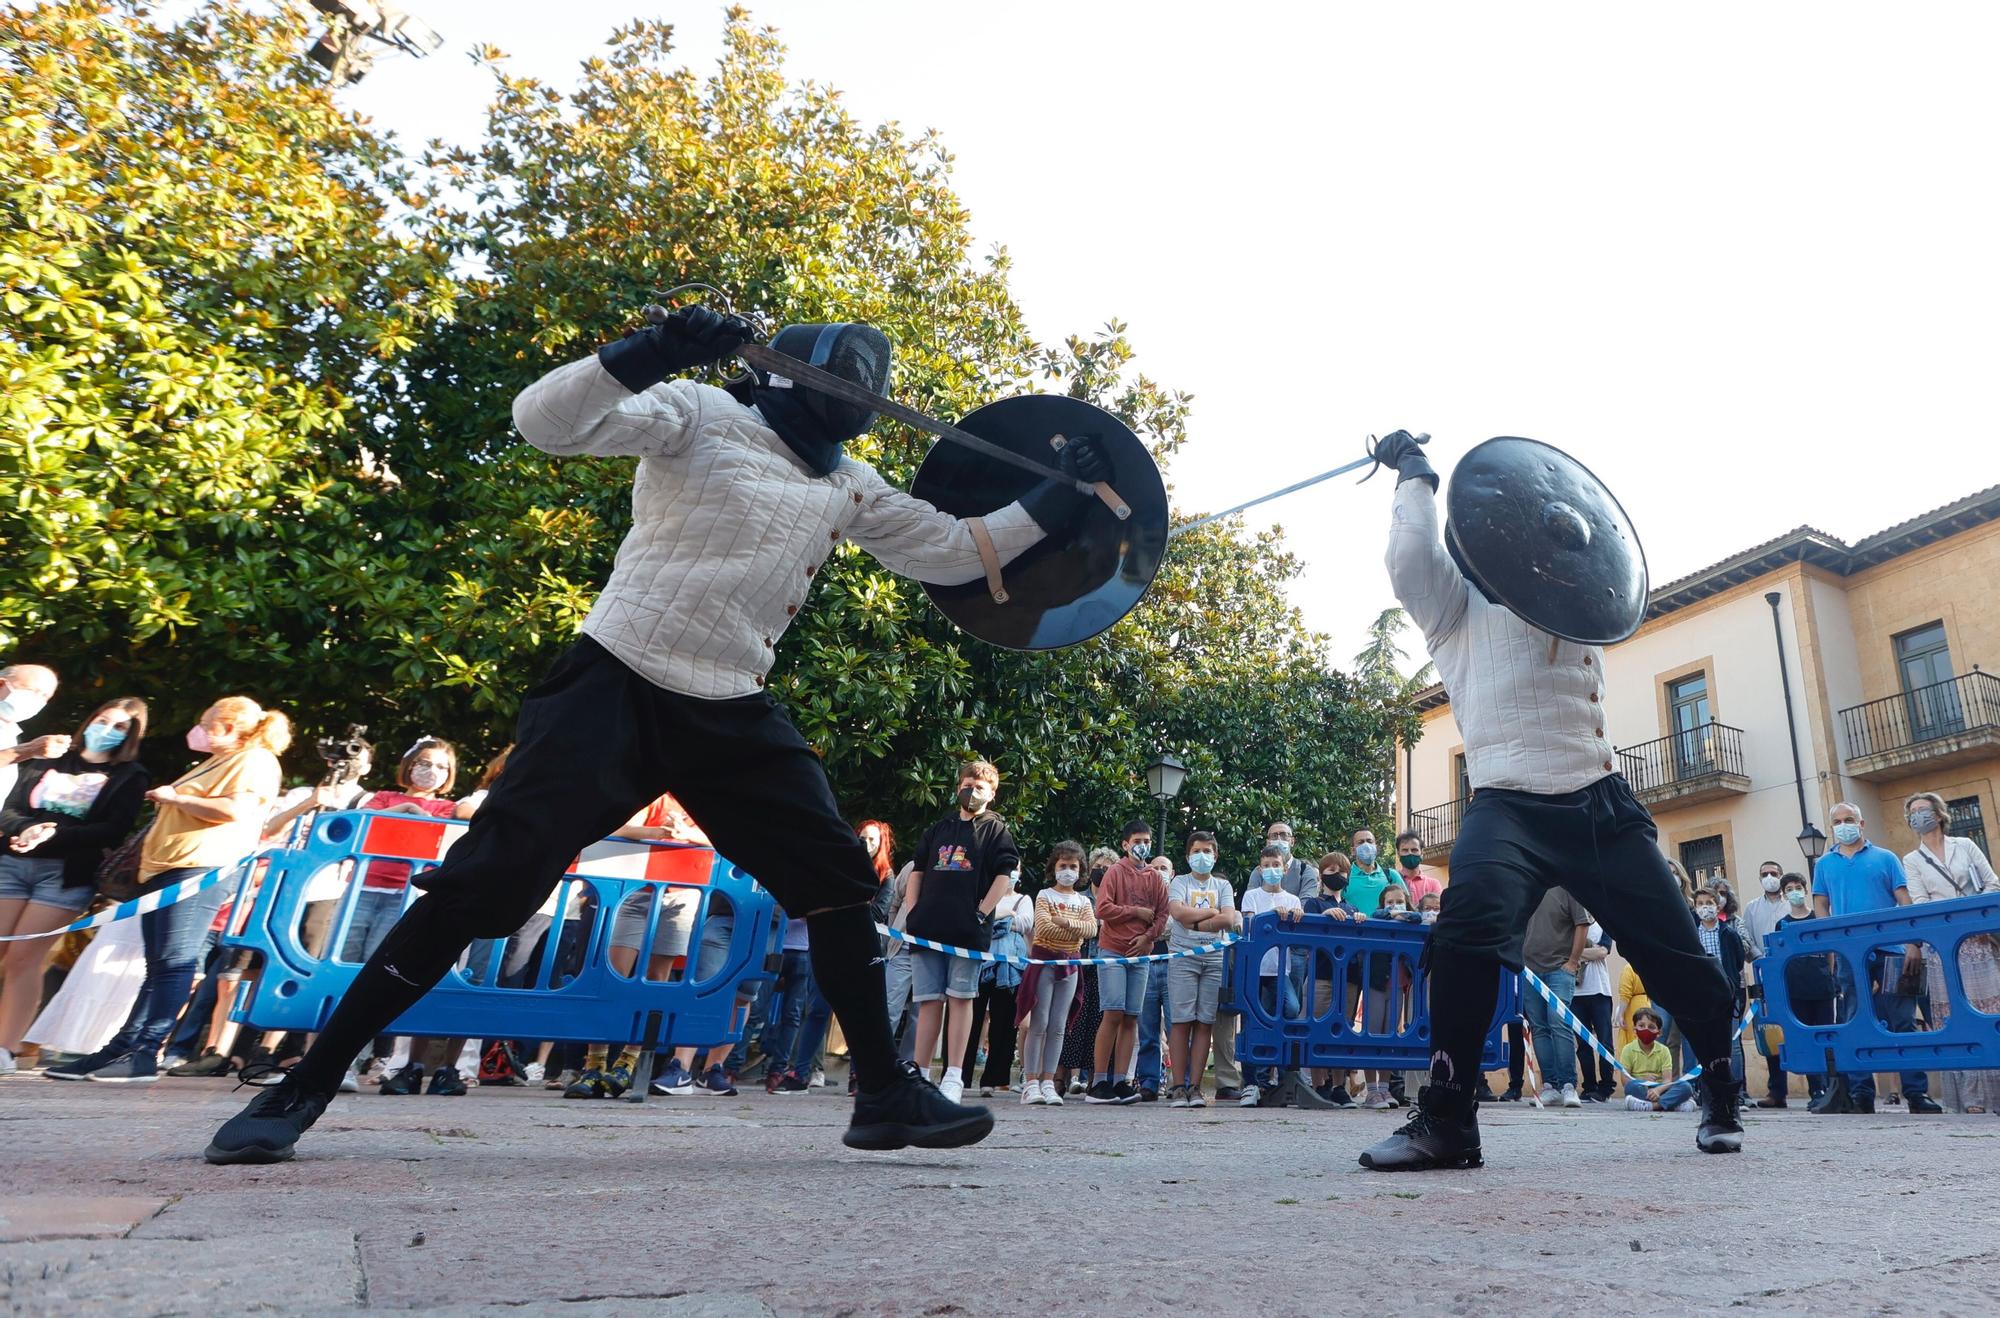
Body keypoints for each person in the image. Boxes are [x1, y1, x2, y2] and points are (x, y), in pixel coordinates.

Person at [208, 307, 1110, 1164]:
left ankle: (882, 1094)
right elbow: (542, 422)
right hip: (613, 682)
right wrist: (647, 352)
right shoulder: (702, 410)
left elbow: (955, 549)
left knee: (837, 879)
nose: (862, 389)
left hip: (730, 704)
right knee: (482, 887)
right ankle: (301, 1088)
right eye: (847, 375)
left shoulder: (847, 483)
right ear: (789, 374)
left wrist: (1064, 499)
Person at [1362, 431, 1742, 1171]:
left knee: (1676, 952)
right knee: (1467, 927)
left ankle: (1721, 1085)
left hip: (1598, 801)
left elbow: (1597, 550)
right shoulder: (1454, 607)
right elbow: (1408, 558)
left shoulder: (1577, 599)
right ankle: (1448, 1119)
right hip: (1505, 803)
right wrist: (1414, 476)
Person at [51, 696, 287, 1085]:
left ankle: (145, 1052)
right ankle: (122, 1048)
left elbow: (236, 810)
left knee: (175, 962)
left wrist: (176, 798)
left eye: (206, 723)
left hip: (199, 868)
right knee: (160, 964)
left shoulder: (254, 759)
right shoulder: (221, 760)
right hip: (170, 867)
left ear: (227, 727)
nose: (199, 730)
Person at [0, 697, 150, 1073]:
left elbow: (114, 829)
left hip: (66, 875)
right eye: (103, 720)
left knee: (24, 960)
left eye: (120, 727)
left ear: (131, 736)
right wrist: (24, 830)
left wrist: (50, 835)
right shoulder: (49, 757)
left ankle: (6, 1048)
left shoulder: (131, 776)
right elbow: (11, 807)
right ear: (89, 719)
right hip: (13, 862)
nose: (107, 730)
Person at [903, 760, 1023, 1105]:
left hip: (967, 931)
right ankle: (920, 1071)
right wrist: (914, 912)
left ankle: (953, 1074)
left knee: (961, 998)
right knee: (927, 1001)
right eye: (968, 784)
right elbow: (918, 870)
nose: (972, 791)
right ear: (959, 786)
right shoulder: (938, 828)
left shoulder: (996, 831)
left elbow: (1004, 874)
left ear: (992, 793)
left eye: (981, 786)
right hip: (927, 929)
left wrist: (981, 913)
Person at [1811, 801, 1941, 1115]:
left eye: (1849, 819)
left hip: (1892, 949)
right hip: (1848, 953)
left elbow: (1905, 900)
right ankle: (1861, 1093)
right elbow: (1820, 904)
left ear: (1862, 823)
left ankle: (1916, 1093)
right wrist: (1832, 945)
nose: (1844, 825)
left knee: (1903, 1022)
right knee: (1855, 1019)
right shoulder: (1825, 865)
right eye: (1838, 821)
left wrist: (1914, 943)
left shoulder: (1885, 858)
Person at [1901, 790, 2000, 1113]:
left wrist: (1973, 916)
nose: (1919, 816)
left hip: (1979, 941)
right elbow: (1919, 902)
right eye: (1913, 812)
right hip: (1942, 947)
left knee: (1990, 1009)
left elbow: (1992, 883)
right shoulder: (1912, 860)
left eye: (1923, 809)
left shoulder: (1966, 846)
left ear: (1939, 813)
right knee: (1954, 1017)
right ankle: (1971, 1099)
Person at [1087, 821, 1166, 1104]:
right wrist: (1135, 911)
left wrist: (1148, 939)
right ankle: (1098, 1083)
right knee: (1113, 1013)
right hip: (1113, 951)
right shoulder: (1114, 872)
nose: (1142, 845)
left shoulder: (1155, 877)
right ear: (1125, 844)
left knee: (1132, 1016)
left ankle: (1121, 1080)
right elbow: (1103, 908)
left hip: (1141, 955)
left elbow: (1162, 913)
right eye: (1137, 839)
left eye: (1146, 839)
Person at [1017, 843, 1096, 1105]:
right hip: (1044, 963)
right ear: (1054, 868)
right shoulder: (1043, 895)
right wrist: (1073, 930)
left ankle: (1049, 1081)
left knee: (1059, 1026)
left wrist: (1064, 923)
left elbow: (1091, 930)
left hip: (1071, 966)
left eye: (1073, 866)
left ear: (1081, 870)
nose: (1068, 871)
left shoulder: (1083, 901)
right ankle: (1031, 1082)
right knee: (1039, 1023)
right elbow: (1044, 928)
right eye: (1063, 866)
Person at [1165, 830, 1238, 1108]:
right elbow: (1178, 914)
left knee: (1204, 1021)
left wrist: (1196, 922)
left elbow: (1229, 919)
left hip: (1214, 959)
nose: (1202, 856)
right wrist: (1211, 914)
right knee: (1181, 1020)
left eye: (1208, 851)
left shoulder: (1223, 886)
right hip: (1183, 956)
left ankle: (1195, 1087)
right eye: (1197, 851)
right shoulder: (1179, 882)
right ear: (1188, 855)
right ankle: (1177, 1087)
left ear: (1215, 855)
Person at [1239, 843, 1305, 1105]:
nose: (1271, 870)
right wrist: (1272, 916)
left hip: (1280, 969)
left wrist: (1295, 916)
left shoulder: (1293, 900)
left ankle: (1272, 1076)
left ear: (1285, 867)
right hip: (1256, 969)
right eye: (1266, 866)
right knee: (1253, 1021)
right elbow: (1250, 923)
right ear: (1259, 868)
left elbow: (1299, 933)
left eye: (1276, 865)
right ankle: (1252, 1083)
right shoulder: (1251, 895)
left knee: (1290, 1008)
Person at [960, 870, 1030, 1098]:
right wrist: (1006, 915)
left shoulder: (1024, 899)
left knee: (1004, 1023)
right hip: (980, 963)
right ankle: (960, 1075)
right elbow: (974, 918)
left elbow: (1025, 923)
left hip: (1009, 969)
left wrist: (996, 917)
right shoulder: (982, 896)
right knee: (970, 1018)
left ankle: (993, 1080)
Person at [1521, 885, 1591, 1108]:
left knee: (1558, 1023)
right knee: (1539, 1027)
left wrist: (1572, 962)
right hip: (1529, 971)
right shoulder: (1525, 887)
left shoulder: (1568, 888)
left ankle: (1568, 1085)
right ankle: (1550, 1086)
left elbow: (1582, 924)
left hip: (1560, 968)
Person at [1055, 849, 1116, 1096]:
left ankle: (1095, 1079)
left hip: (1105, 968)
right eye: (1098, 866)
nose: (1102, 871)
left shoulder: (1115, 901)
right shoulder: (1077, 899)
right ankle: (1058, 1078)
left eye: (1107, 867)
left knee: (1098, 1024)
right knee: (1070, 1022)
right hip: (1076, 965)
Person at [1773, 871, 1834, 1108]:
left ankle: (1832, 1085)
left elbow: (1830, 952)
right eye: (1789, 889)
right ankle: (1815, 1089)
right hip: (1797, 990)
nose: (1794, 892)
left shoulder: (1817, 917)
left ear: (1805, 889)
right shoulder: (1783, 924)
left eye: (1797, 887)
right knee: (1806, 1039)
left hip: (1822, 987)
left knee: (1827, 1036)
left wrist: (1829, 974)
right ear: (1784, 894)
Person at [1304, 854, 1360, 1107]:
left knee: (1342, 1029)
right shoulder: (1314, 904)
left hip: (1349, 976)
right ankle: (1319, 1084)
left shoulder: (1352, 908)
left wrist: (1360, 920)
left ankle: (1340, 1085)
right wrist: (1327, 913)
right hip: (1321, 974)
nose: (1337, 874)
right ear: (1322, 874)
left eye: (1342, 870)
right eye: (1331, 869)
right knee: (1318, 1026)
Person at [1133, 853, 1175, 1101]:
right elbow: (1138, 928)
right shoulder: (1141, 897)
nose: (1159, 871)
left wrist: (1152, 929)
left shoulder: (1178, 898)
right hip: (1146, 965)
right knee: (1147, 1029)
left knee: (1175, 1028)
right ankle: (1148, 1082)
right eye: (1155, 867)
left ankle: (1177, 1082)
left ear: (1172, 874)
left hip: (1172, 965)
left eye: (1164, 868)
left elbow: (1173, 926)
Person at [0, 664, 62, 809]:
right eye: (33, 691)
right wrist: (29, 750)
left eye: (45, 696)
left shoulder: (9, 731)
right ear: (1, 684)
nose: (38, 700)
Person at [1570, 921, 1616, 1103]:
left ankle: (1606, 1086)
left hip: (1599, 991)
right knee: (1582, 1043)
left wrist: (1575, 952)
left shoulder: (1603, 924)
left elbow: (1602, 952)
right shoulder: (1570, 926)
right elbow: (1561, 950)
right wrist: (1590, 951)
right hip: (1575, 992)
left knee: (1605, 1041)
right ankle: (1588, 1086)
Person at [1620, 1008, 1693, 1112]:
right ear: (1634, 1030)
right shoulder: (1628, 1049)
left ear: (1659, 1033)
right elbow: (1625, 1080)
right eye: (1641, 1026)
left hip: (1661, 1089)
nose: (1646, 1030)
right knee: (1631, 1087)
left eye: (1651, 1027)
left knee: (1686, 1087)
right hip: (1641, 1088)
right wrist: (1642, 1080)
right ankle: (1672, 1104)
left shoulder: (1664, 1050)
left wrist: (1658, 1090)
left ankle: (1651, 1106)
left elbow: (1667, 1080)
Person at [1342, 827, 1403, 916]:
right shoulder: (1344, 876)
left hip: (1385, 929)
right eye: (1361, 842)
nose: (1366, 845)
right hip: (1354, 928)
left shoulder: (1391, 875)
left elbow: (1406, 904)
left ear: (1376, 848)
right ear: (1353, 851)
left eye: (1369, 841)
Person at [1394, 831, 1441, 907]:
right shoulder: (1393, 880)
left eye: (1414, 850)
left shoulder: (1433, 884)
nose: (1410, 853)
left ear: (1421, 853)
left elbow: (1437, 910)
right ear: (1398, 854)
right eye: (1405, 850)